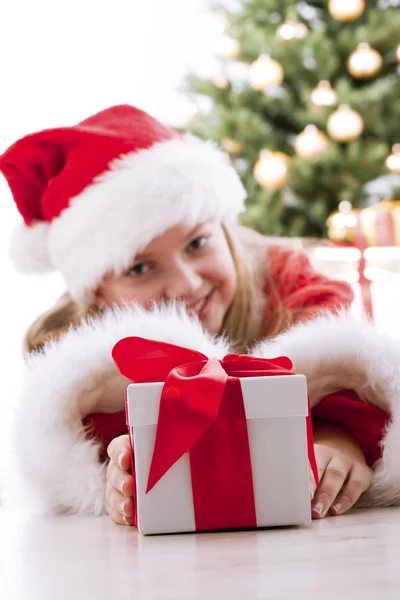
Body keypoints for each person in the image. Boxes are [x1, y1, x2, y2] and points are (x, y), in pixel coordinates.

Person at [1, 105, 398, 528]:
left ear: (225, 231)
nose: (188, 284)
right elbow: (83, 463)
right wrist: (114, 476)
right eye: (139, 268)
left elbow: (346, 388)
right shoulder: (76, 372)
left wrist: (338, 436)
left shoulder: (299, 299)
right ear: (99, 295)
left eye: (198, 243)